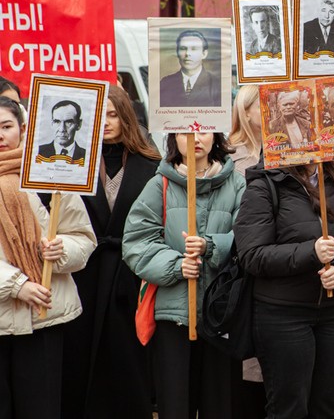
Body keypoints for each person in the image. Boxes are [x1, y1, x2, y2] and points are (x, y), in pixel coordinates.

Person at [233, 157, 334, 418]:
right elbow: (252, 255)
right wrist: (311, 252)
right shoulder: (265, 185)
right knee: (289, 407)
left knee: (327, 403)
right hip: (283, 316)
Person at [122, 132, 246, 419]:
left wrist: (211, 246)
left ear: (216, 136)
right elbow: (136, 242)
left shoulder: (237, 183)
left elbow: (248, 237)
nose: (194, 138)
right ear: (173, 138)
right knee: (174, 405)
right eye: (184, 132)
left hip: (220, 313)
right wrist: (176, 266)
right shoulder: (159, 184)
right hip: (173, 315)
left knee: (219, 404)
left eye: (203, 130)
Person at [59, 85, 160, 419]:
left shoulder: (151, 164)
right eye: (98, 115)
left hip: (129, 276)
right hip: (86, 272)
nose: (105, 122)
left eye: (113, 114)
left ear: (126, 117)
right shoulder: (72, 163)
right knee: (82, 355)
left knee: (127, 359)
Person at [0, 95, 96, 419]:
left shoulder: (51, 173)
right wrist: (16, 285)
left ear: (23, 129)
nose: (0, 135)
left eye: (6, 126)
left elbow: (82, 237)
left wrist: (61, 251)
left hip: (44, 318)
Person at [227, 84, 267, 418]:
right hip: (240, 272)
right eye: (264, 103)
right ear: (245, 109)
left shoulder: (291, 150)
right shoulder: (229, 157)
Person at [160, 29, 222, 108]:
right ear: (177, 52)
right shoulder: (165, 83)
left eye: (194, 49)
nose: (188, 54)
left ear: (204, 54)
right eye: (183, 48)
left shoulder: (217, 84)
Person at [230, 85, 263, 173]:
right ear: (246, 113)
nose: (269, 110)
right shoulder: (233, 155)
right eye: (262, 106)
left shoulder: (277, 147)